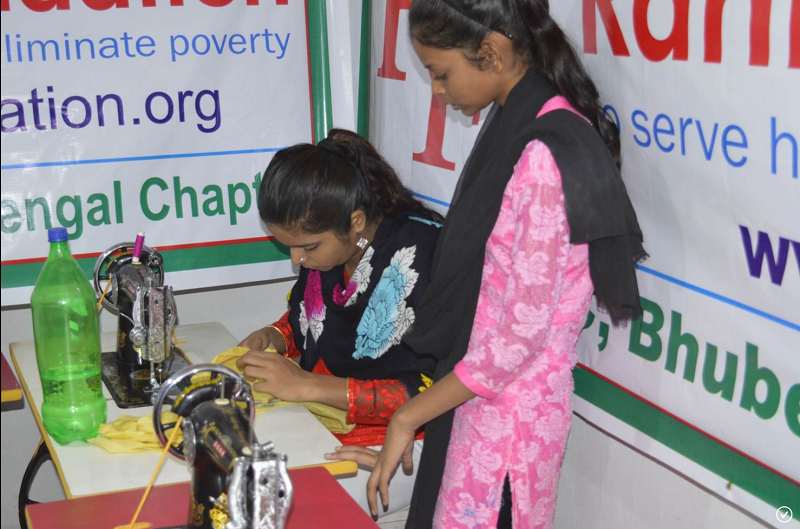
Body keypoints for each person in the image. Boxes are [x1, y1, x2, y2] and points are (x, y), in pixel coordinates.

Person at [364, 1, 647, 528]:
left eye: (440, 73)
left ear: (491, 53)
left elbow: (519, 338)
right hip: (481, 405)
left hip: (510, 429)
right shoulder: (519, 119)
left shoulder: (544, 154)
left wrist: (408, 416)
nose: (438, 91)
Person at [236, 128, 441, 516]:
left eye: (307, 246)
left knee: (282, 511)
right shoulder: (334, 251)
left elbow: (432, 387)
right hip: (327, 421)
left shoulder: (422, 256)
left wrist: (309, 385)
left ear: (356, 221)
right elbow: (314, 321)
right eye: (288, 246)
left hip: (405, 443)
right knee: (235, 477)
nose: (296, 259)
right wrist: (274, 337)